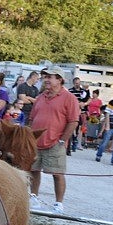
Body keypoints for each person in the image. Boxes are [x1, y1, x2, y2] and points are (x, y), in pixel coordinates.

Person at [28, 66, 80, 213]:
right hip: (36, 142)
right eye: (45, 77)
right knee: (33, 170)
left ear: (59, 79)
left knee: (57, 174)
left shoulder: (69, 98)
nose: (46, 80)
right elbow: (32, 118)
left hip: (55, 143)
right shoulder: (40, 97)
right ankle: (33, 198)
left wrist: (62, 141)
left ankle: (58, 203)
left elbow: (73, 121)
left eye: (49, 77)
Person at [68, 77, 90, 151]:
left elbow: (89, 99)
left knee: (81, 128)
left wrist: (84, 103)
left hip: (82, 112)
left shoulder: (83, 91)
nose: (78, 84)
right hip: (74, 111)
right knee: (73, 126)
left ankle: (78, 143)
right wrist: (77, 104)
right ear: (74, 83)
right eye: (76, 83)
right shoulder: (70, 91)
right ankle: (71, 142)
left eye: (79, 83)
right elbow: (69, 100)